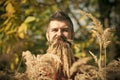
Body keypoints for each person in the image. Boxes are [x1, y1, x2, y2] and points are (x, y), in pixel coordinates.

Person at [46, 10, 76, 80]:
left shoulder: (83, 68)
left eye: (65, 30)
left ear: (72, 35)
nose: (59, 34)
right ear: (48, 36)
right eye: (55, 30)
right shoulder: (36, 68)